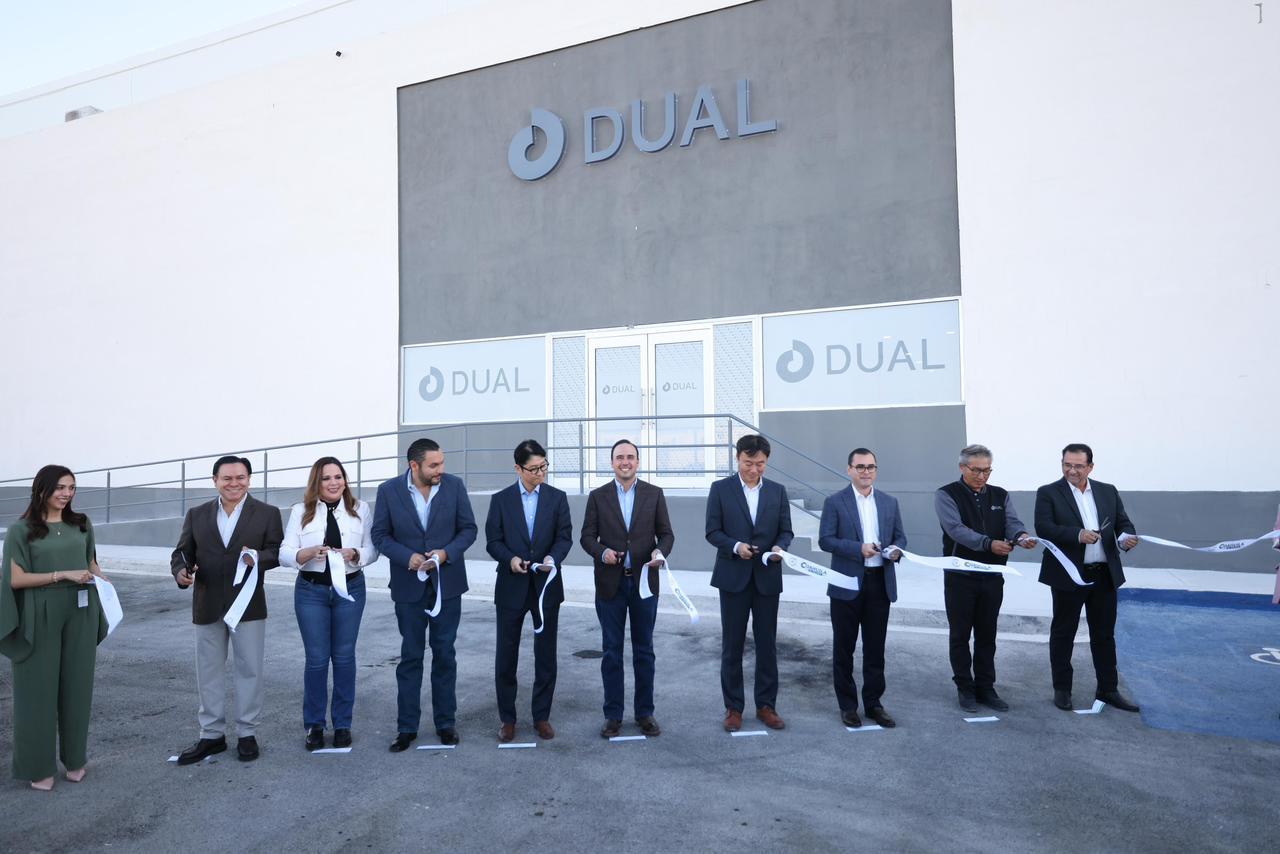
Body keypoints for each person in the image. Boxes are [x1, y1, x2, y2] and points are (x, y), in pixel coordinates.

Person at [0, 465, 108, 790]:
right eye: (60, 487)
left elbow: (90, 563)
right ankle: (39, 768)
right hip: (40, 611)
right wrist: (62, 575)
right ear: (42, 489)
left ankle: (75, 761)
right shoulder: (21, 530)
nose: (66, 494)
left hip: (81, 610)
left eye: (71, 488)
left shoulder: (82, 524)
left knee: (78, 688)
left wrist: (102, 580)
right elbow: (15, 579)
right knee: (37, 692)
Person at [171, 455, 284, 764]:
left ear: (249, 479)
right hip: (207, 603)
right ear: (215, 481)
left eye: (240, 477)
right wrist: (180, 572)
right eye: (227, 478)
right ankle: (211, 736)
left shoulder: (268, 513)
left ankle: (247, 733)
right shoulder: (196, 514)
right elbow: (182, 552)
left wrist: (256, 557)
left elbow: (277, 552)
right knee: (208, 671)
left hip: (248, 605)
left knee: (250, 669)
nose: (234, 483)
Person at [371, 437, 477, 750]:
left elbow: (468, 530)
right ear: (414, 465)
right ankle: (407, 727)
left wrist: (445, 553)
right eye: (434, 465)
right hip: (408, 588)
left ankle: (446, 723)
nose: (440, 469)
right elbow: (380, 535)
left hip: (448, 586)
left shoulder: (454, 487)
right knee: (411, 657)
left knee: (445, 654)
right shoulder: (388, 491)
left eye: (442, 463)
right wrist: (408, 557)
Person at [280, 457, 379, 751]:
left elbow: (373, 549)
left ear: (345, 480)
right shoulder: (301, 511)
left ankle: (343, 724)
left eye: (338, 477)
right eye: (326, 478)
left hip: (351, 589)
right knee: (317, 659)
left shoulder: (360, 509)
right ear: (317, 482)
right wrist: (305, 553)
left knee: (345, 657)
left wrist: (356, 554)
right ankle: (314, 725)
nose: (334, 483)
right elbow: (285, 552)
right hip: (311, 592)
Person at [1034, 443, 1141, 712]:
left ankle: (1108, 689)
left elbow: (1122, 523)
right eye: (1067, 465)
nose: (1072, 470)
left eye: (1078, 466)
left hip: (1104, 575)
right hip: (1069, 575)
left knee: (1104, 635)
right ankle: (1062, 689)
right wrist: (1077, 535)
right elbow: (1044, 527)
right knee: (1063, 633)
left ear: (1090, 467)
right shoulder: (1048, 493)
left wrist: (1126, 538)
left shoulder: (1108, 491)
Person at [580, 439, 675, 739]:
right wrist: (602, 553)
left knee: (644, 650)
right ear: (612, 463)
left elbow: (666, 534)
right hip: (611, 584)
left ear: (638, 462)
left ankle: (645, 713)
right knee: (612, 651)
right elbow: (587, 537)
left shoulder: (654, 494)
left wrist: (660, 553)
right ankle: (613, 715)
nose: (625, 462)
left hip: (644, 583)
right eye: (620, 457)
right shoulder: (598, 497)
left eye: (630, 457)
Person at [934, 444, 1036, 713]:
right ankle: (964, 688)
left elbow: (1012, 522)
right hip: (960, 575)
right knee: (960, 635)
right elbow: (955, 529)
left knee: (987, 634)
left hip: (992, 575)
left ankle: (986, 687)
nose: (982, 476)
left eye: (987, 470)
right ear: (962, 467)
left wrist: (1020, 537)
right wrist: (988, 543)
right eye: (976, 470)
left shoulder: (1000, 494)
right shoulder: (946, 494)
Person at [484, 439, 573, 742]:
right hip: (511, 585)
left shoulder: (557, 498)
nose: (540, 473)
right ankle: (508, 719)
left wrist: (552, 559)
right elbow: (493, 541)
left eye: (544, 467)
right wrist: (510, 559)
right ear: (518, 469)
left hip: (546, 586)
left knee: (546, 654)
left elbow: (564, 537)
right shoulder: (501, 500)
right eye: (534, 469)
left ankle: (541, 716)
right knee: (506, 655)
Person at [705, 434, 794, 732]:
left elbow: (786, 531)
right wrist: (736, 547)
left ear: (767, 462)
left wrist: (780, 547)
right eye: (748, 463)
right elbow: (712, 531)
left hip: (767, 577)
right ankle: (734, 708)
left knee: (767, 645)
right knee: (732, 645)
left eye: (760, 464)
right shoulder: (720, 489)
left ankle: (766, 706)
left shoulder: (778, 492)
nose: (754, 469)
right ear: (737, 459)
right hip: (733, 577)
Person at [818, 448, 906, 729]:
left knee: (875, 648)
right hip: (847, 583)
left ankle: (874, 704)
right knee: (844, 648)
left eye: (871, 467)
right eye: (860, 467)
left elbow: (901, 537)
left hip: (880, 583)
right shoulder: (835, 502)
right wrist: (859, 548)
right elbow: (826, 540)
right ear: (849, 470)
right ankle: (848, 706)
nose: (866, 471)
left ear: (876, 470)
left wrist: (895, 550)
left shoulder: (889, 502)